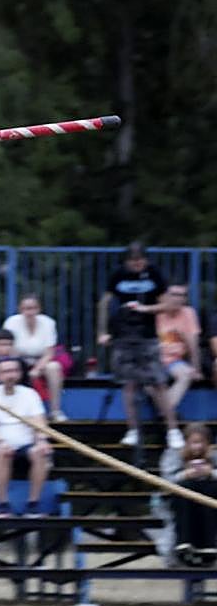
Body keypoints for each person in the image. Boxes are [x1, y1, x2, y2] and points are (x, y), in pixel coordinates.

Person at [97, 242, 182, 449]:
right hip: (123, 336)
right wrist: (102, 331)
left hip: (147, 335)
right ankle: (132, 429)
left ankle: (173, 430)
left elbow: (167, 304)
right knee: (129, 385)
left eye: (140, 260)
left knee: (158, 383)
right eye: (133, 261)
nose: (137, 264)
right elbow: (105, 303)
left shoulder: (154, 274)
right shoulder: (117, 275)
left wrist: (145, 308)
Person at [0, 358, 53, 515]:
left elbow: (39, 424)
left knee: (40, 452)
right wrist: (1, 442)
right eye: (5, 371)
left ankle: (33, 504)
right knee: (1, 453)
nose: (10, 375)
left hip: (26, 446)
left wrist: (41, 440)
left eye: (13, 371)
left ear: (19, 373)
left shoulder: (30, 395)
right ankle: (3, 505)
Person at [3, 294, 68, 422]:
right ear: (20, 310)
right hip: (18, 360)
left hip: (41, 361)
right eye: (26, 308)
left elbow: (49, 353)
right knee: (12, 370)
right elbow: (10, 349)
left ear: (39, 309)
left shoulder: (48, 323)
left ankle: (55, 411)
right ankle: (15, 411)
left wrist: (37, 369)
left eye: (33, 308)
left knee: (54, 367)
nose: (30, 312)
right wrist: (23, 365)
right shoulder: (11, 322)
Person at [160, 423, 217, 566]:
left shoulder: (214, 455)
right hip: (182, 501)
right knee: (185, 488)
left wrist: (210, 473)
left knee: (210, 489)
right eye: (193, 442)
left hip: (209, 498)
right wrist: (185, 474)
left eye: (200, 442)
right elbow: (165, 481)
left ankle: (210, 544)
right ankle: (183, 542)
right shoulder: (174, 455)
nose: (197, 447)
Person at [155, 283, 202, 418]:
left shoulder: (188, 313)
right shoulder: (156, 313)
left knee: (186, 374)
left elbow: (193, 344)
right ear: (165, 297)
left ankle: (164, 411)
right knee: (148, 381)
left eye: (181, 295)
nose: (177, 299)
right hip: (154, 360)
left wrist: (196, 368)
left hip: (174, 360)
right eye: (174, 294)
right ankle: (169, 413)